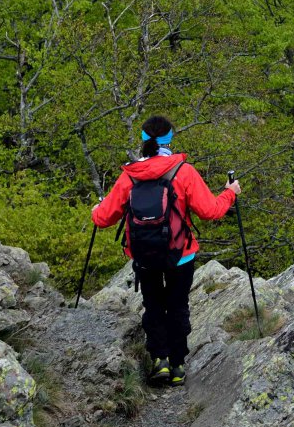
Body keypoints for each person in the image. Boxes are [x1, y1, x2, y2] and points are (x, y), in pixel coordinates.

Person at [91, 116, 240, 386]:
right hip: (180, 254)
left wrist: (95, 211)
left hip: (144, 255)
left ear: (143, 139)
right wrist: (230, 193)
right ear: (170, 139)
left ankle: (159, 361)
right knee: (177, 306)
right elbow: (211, 211)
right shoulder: (183, 171)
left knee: (153, 306)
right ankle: (178, 365)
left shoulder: (130, 175)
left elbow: (103, 218)